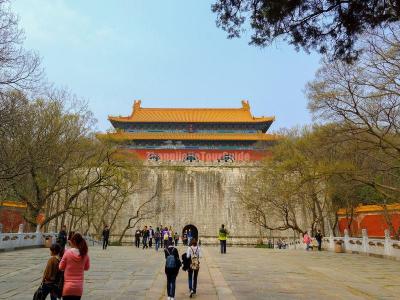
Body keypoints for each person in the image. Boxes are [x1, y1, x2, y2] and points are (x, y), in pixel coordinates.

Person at [59, 233, 90, 300]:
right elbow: (87, 268)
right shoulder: (85, 254)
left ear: (73, 242)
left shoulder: (67, 252)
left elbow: (61, 267)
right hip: (78, 288)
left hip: (67, 287)